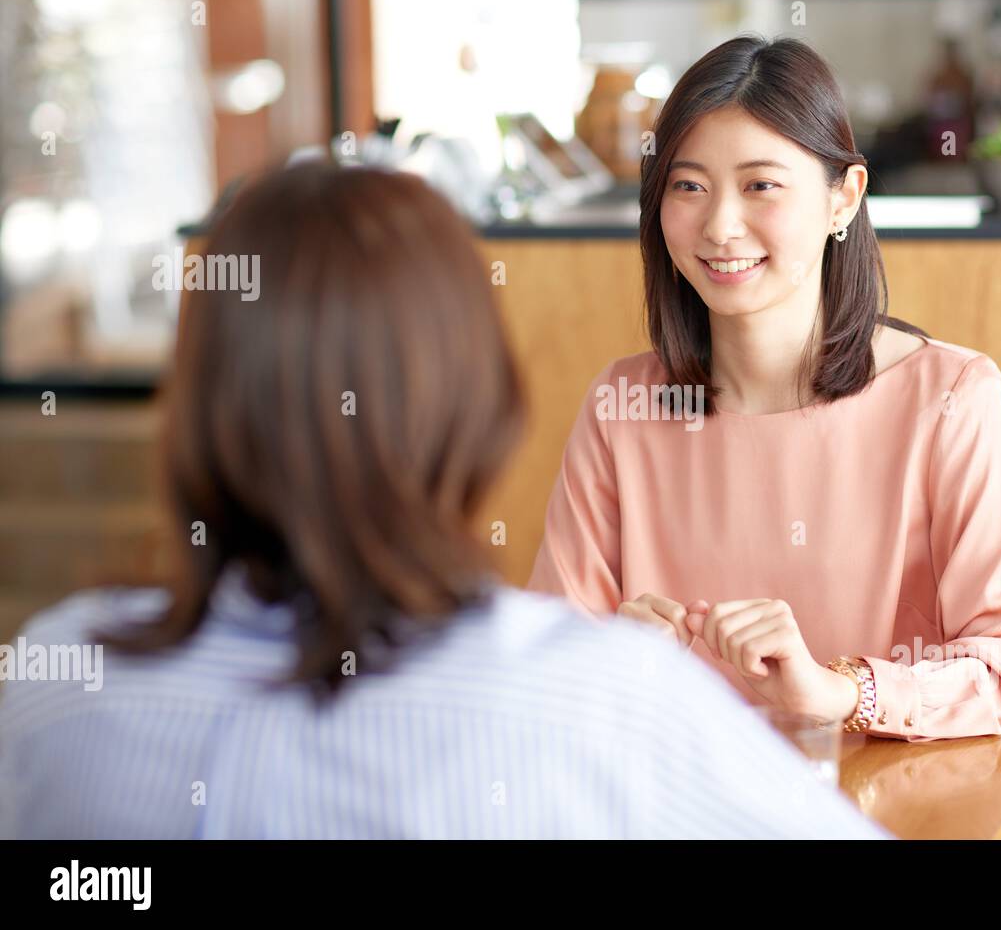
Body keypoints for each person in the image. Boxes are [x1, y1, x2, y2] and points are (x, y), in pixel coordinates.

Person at [0, 162, 889, 840]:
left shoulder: (56, 681)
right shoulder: (604, 703)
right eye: (690, 186)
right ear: (483, 408)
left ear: (188, 401)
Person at [529, 36, 1001, 743]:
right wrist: (604, 661)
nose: (720, 226)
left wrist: (842, 691)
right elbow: (542, 678)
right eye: (688, 186)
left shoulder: (952, 399)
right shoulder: (619, 407)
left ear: (844, 197)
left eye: (761, 185)